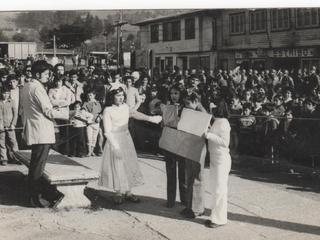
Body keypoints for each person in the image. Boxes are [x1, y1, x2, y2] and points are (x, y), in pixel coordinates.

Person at [98, 87, 161, 204]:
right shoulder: (108, 110)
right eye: (118, 95)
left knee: (129, 164)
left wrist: (151, 118)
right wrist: (115, 146)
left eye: (122, 95)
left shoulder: (125, 107)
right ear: (112, 97)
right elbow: (107, 131)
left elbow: (135, 114)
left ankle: (128, 192)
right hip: (114, 140)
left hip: (126, 139)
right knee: (117, 166)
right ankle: (118, 193)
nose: (120, 97)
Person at [21, 60, 68, 207]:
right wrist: (69, 114)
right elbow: (48, 111)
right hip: (42, 132)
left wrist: (55, 103)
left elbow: (38, 106)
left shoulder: (27, 86)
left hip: (34, 130)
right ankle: (38, 198)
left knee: (35, 166)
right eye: (46, 74)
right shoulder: (38, 88)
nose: (48, 77)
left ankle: (41, 196)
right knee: (38, 168)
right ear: (37, 74)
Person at [159, 84, 187, 208]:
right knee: (170, 170)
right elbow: (163, 124)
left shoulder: (185, 108)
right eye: (172, 93)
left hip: (181, 140)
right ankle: (170, 199)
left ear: (181, 95)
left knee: (183, 171)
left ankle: (184, 199)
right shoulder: (166, 107)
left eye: (176, 93)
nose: (173, 96)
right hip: (170, 138)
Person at [204, 115, 232, 228]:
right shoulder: (216, 121)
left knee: (220, 190)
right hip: (214, 158)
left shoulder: (224, 122)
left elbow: (225, 142)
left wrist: (208, 135)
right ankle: (214, 217)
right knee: (215, 189)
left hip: (221, 160)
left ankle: (220, 220)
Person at [0, 87, 19, 165]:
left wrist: (13, 124)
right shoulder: (0, 102)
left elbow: (15, 114)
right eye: (4, 93)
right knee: (1, 142)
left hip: (10, 126)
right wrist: (0, 125)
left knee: (13, 142)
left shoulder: (12, 102)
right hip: (1, 126)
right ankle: (4, 159)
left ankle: (17, 157)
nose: (6, 95)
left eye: (7, 93)